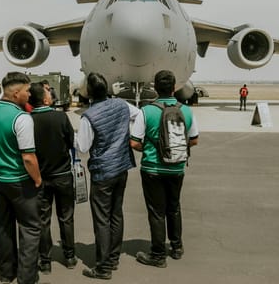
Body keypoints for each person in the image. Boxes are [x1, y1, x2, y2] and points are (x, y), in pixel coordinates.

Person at [130, 70, 199, 268]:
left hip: (152, 168)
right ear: (174, 87)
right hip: (176, 168)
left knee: (156, 212)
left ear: (155, 88)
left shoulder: (147, 111)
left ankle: (158, 255)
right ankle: (177, 247)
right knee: (174, 207)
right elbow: (194, 140)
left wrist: (153, 149)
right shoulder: (185, 111)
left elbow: (134, 143)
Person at [76, 72, 139, 280]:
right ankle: (113, 257)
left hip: (103, 171)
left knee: (101, 219)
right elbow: (139, 115)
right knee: (116, 214)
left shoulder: (89, 116)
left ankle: (103, 267)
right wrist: (126, 135)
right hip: (122, 167)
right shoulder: (122, 105)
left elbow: (83, 147)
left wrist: (73, 137)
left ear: (89, 93)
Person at [0, 72, 42, 284]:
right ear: (16, 93)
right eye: (27, 90)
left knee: (3, 225)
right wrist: (37, 179)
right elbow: (28, 157)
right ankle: (27, 277)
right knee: (30, 227)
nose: (29, 94)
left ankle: (7, 273)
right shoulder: (22, 118)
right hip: (18, 181)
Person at [29, 82, 77, 274]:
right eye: (48, 91)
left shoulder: (28, 120)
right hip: (63, 175)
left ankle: (45, 260)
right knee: (66, 217)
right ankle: (70, 255)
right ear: (45, 99)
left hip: (40, 177)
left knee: (43, 219)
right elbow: (71, 141)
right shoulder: (60, 117)